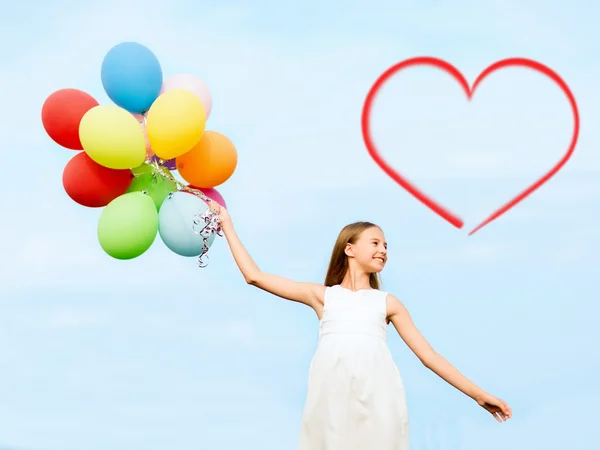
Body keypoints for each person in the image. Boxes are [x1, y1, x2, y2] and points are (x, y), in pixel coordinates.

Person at [209, 201, 512, 450]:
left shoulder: (388, 303)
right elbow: (254, 276)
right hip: (331, 402)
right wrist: (227, 224)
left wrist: (477, 394)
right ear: (349, 249)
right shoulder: (323, 297)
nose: (383, 250)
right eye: (375, 242)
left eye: (386, 245)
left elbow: (429, 356)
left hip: (379, 401)